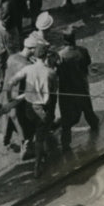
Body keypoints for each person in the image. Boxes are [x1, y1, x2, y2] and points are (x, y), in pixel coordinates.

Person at [8, 49, 61, 177]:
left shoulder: (28, 69)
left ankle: (30, 147)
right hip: (42, 109)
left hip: (28, 108)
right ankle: (38, 164)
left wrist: (10, 97)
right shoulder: (50, 73)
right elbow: (54, 90)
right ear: (45, 57)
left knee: (36, 129)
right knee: (41, 133)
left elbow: (11, 81)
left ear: (35, 56)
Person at [56, 27, 99, 152]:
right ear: (74, 38)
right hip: (81, 86)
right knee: (87, 108)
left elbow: (57, 72)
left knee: (66, 116)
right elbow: (87, 63)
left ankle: (65, 142)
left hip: (66, 90)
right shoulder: (83, 51)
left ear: (63, 40)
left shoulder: (60, 55)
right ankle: (94, 124)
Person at [2, 35, 38, 151]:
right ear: (31, 49)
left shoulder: (12, 57)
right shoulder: (26, 66)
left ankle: (6, 140)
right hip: (17, 98)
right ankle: (25, 146)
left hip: (7, 94)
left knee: (7, 119)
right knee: (22, 122)